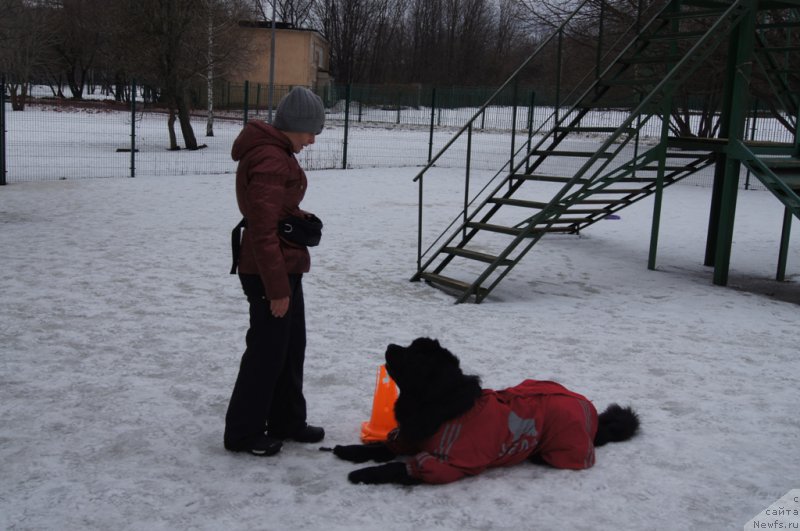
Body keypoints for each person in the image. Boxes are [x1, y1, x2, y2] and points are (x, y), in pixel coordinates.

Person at [224, 87, 326, 456]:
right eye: (310, 131)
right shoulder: (270, 158)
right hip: (270, 271)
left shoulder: (276, 153)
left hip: (283, 266)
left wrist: (298, 220)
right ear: (294, 126)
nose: (313, 139)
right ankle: (243, 433)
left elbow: (272, 213)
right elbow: (262, 228)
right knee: (266, 353)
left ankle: (287, 420)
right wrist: (278, 289)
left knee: (289, 346)